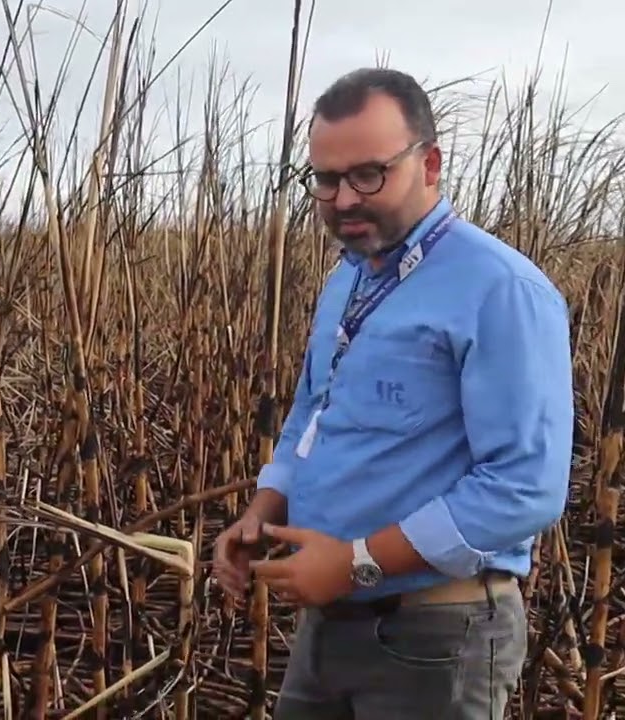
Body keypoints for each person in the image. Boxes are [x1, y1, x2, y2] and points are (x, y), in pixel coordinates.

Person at [212, 67, 573, 718]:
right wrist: (265, 508)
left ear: (429, 164)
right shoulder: (346, 284)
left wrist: (357, 562)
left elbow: (525, 486)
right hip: (329, 628)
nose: (344, 199)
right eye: (325, 179)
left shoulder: (501, 290)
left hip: (437, 639)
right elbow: (314, 417)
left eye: (368, 174)